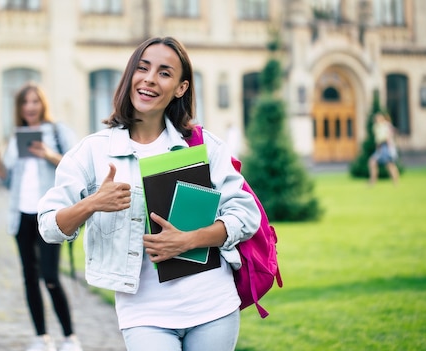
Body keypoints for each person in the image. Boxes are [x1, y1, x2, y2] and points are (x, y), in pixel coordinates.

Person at [37, 37, 261, 351]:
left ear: (181, 88)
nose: (150, 79)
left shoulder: (203, 145)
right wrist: (92, 204)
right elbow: (49, 226)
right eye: (143, 68)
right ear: (130, 75)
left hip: (213, 306)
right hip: (144, 313)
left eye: (164, 73)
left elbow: (246, 214)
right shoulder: (94, 152)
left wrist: (189, 239)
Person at [2, 83, 82, 351]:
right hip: (21, 215)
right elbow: (7, 172)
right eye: (26, 102)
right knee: (29, 277)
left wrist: (48, 154)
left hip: (48, 216)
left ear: (42, 104)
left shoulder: (58, 132)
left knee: (50, 276)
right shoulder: (16, 135)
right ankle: (41, 337)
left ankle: (70, 337)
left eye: (35, 101)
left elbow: (76, 167)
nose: (31, 107)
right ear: (20, 108)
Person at [368, 111, 400, 186]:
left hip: (386, 146)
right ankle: (372, 182)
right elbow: (377, 139)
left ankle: (396, 182)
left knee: (389, 164)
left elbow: (390, 135)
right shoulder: (376, 127)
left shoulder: (386, 125)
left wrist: (390, 147)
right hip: (380, 147)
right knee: (372, 162)